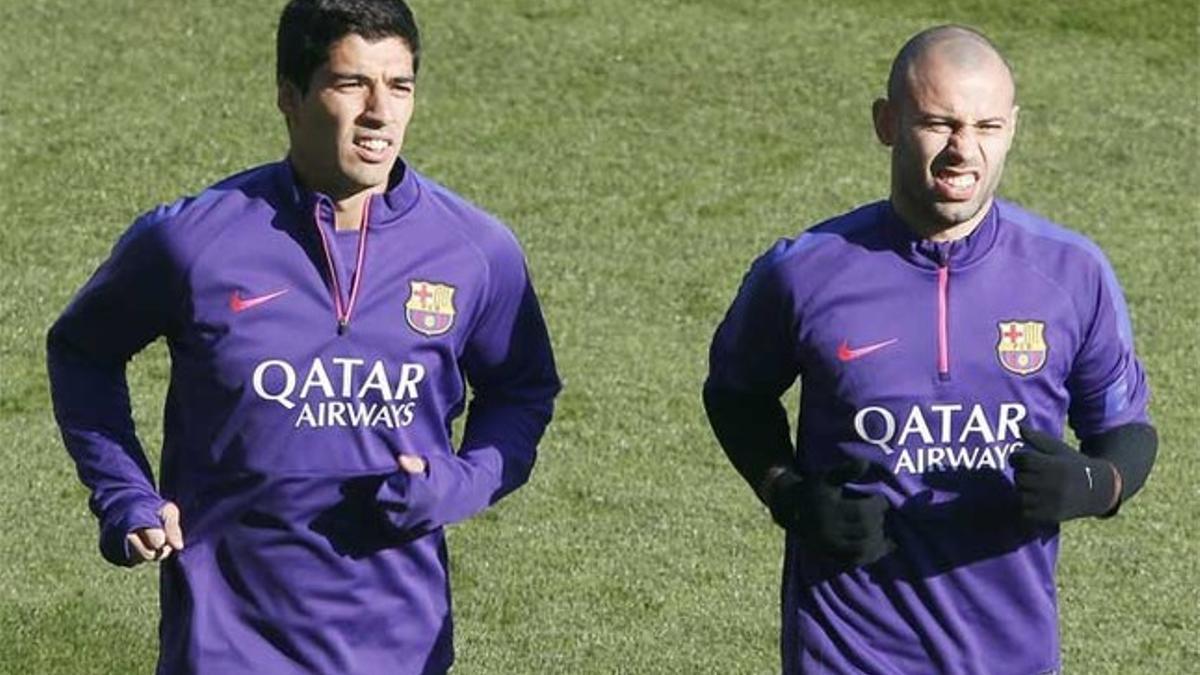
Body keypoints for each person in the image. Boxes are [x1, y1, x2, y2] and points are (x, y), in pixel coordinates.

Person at [47, 1, 560, 672]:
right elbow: (82, 352)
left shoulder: (474, 251)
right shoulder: (193, 241)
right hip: (226, 645)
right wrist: (124, 493)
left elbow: (522, 389)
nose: (381, 111)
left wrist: (461, 481)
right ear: (290, 96)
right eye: (352, 84)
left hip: (400, 646)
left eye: (399, 85)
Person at [703, 25, 1157, 674]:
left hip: (1012, 655)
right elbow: (735, 394)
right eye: (939, 123)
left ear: (1013, 128)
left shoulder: (1071, 274)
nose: (963, 150)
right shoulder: (804, 271)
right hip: (845, 652)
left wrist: (1097, 483)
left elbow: (1125, 430)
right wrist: (790, 495)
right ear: (887, 122)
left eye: (987, 126)